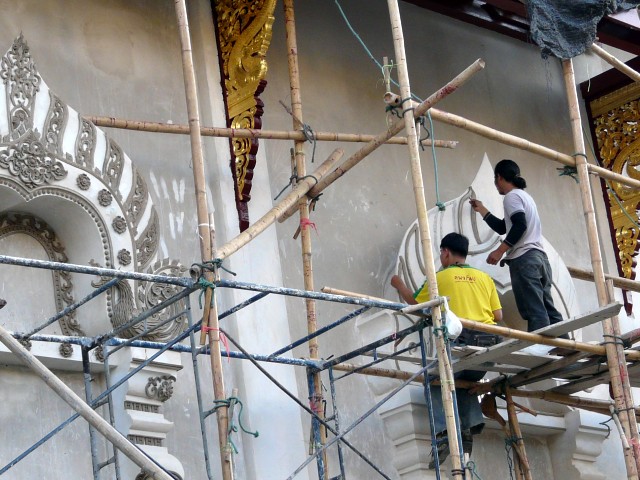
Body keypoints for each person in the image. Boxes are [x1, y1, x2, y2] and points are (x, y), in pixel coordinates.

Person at [391, 232, 502, 468]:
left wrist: (398, 283)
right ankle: (469, 428)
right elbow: (498, 316)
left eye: (441, 253)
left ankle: (443, 434)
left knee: (435, 380)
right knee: (463, 383)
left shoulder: (439, 277)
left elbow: (416, 304)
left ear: (445, 252)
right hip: (489, 347)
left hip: (462, 342)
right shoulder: (484, 277)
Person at [469, 159, 568, 339]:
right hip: (540, 259)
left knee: (534, 310)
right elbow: (504, 227)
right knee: (548, 308)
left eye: (495, 179)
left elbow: (519, 225)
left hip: (525, 259)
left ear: (499, 177)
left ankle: (541, 351)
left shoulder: (511, 197)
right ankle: (565, 345)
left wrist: (500, 251)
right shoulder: (525, 197)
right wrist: (482, 210)